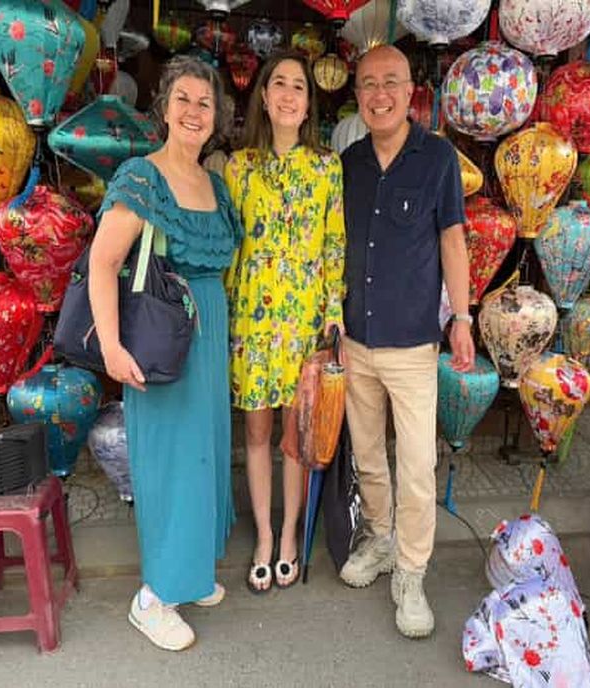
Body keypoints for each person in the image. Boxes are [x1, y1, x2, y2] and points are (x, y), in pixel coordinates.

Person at [88, 55, 242, 651]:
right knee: (170, 465)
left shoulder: (215, 185)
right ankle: (153, 597)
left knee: (203, 458)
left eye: (205, 103)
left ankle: (189, 571)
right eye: (183, 99)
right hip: (160, 339)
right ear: (164, 108)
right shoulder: (142, 178)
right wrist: (110, 345)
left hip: (207, 339)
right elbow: (103, 263)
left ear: (217, 116)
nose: (194, 112)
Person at [339, 45, 475, 638]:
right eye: (369, 84)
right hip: (355, 339)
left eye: (390, 82)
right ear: (358, 95)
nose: (380, 95)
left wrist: (462, 318)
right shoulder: (349, 163)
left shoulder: (437, 157)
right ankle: (380, 538)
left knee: (417, 465)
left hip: (413, 344)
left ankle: (412, 572)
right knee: (367, 455)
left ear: (410, 91)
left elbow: (452, 241)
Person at [224, 50, 345, 594]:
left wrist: (334, 313)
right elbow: (229, 245)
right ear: (265, 97)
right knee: (256, 431)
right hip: (251, 316)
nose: (289, 94)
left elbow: (334, 245)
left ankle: (291, 534)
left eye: (299, 86)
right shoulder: (239, 167)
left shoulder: (326, 167)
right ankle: (265, 536)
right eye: (279, 83)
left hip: (303, 319)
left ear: (308, 103)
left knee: (295, 436)